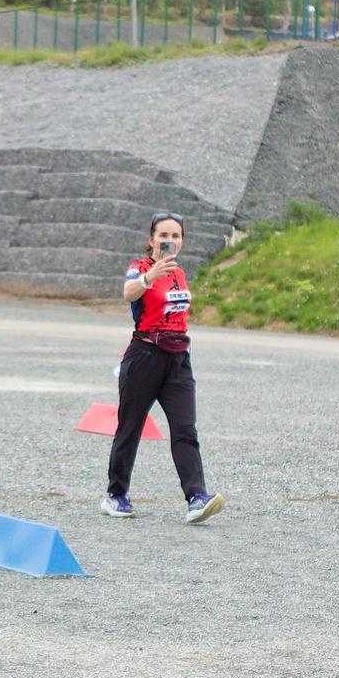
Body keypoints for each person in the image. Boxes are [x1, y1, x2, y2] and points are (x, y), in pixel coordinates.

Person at [102, 213, 220, 523]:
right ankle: (115, 495)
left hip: (178, 357)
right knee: (130, 428)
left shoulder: (179, 273)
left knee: (184, 428)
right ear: (152, 239)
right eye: (163, 234)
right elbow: (129, 293)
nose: (170, 240)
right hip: (144, 355)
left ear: (182, 241)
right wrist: (149, 276)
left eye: (176, 235)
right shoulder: (140, 268)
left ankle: (196, 497)